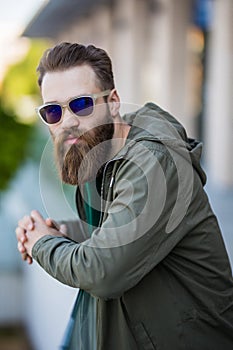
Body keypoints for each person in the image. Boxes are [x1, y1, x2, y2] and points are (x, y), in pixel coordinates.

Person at [16, 42, 233, 350]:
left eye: (81, 105)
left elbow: (104, 272)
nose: (67, 122)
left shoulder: (155, 164)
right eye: (52, 111)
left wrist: (42, 243)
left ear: (113, 102)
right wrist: (63, 232)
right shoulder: (95, 154)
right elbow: (112, 233)